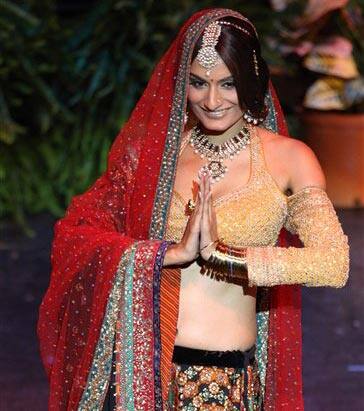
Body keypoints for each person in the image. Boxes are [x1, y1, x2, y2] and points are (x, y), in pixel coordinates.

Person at [37, 8, 349, 411]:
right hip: (149, 376)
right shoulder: (153, 159)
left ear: (251, 81)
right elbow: (77, 233)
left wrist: (228, 258)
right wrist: (169, 254)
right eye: (198, 83)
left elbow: (333, 262)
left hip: (228, 379)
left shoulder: (288, 159)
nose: (212, 100)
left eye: (228, 84)